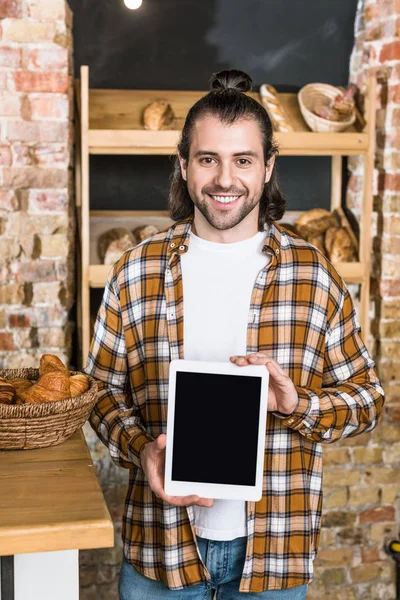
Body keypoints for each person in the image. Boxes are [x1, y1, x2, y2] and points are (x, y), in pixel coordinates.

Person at [83, 69, 385, 599]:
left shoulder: (314, 274)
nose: (225, 179)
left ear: (268, 167)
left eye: (243, 160)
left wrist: (298, 406)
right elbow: (99, 393)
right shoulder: (136, 270)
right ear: (184, 165)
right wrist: (140, 450)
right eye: (208, 159)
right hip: (162, 551)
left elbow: (369, 400)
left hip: (275, 551)